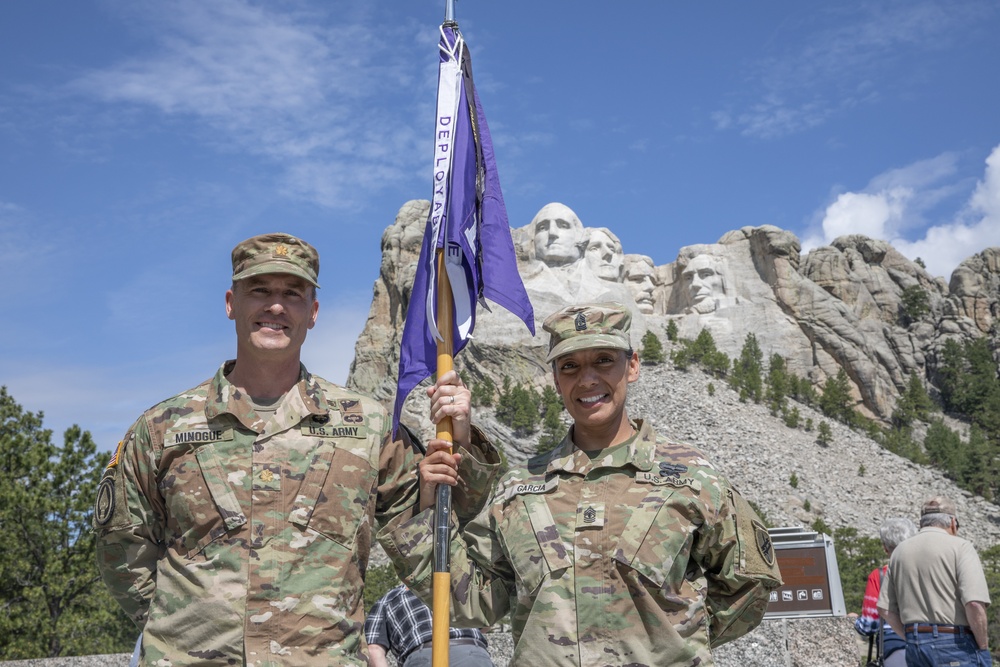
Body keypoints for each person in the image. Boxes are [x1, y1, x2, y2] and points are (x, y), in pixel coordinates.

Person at [93, 233, 494, 666]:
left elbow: (436, 528)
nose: (276, 306)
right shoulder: (162, 429)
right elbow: (122, 551)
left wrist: (462, 439)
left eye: (292, 293)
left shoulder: (370, 426)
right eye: (260, 290)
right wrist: (186, 629)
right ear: (231, 303)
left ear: (313, 312)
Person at [382, 302, 783, 666]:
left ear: (632, 366)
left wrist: (679, 638)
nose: (587, 379)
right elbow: (469, 600)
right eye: (569, 366)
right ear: (555, 379)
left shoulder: (692, 478)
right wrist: (427, 510)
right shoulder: (520, 490)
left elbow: (748, 583)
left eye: (604, 360)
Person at [877, 496, 992, 667]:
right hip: (954, 643)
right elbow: (974, 603)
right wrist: (983, 647)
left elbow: (885, 609)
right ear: (953, 523)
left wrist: (910, 636)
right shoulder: (961, 547)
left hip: (915, 646)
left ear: (922, 523)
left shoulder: (900, 551)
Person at [364, 584, 493, 667]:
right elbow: (487, 622)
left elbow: (374, 650)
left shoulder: (388, 599)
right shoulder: (456, 586)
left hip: (423, 656)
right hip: (470, 652)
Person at [855, 518, 918, 667]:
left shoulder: (879, 576)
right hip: (930, 642)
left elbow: (868, 626)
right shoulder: (929, 570)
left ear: (885, 548)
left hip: (894, 646)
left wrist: (853, 620)